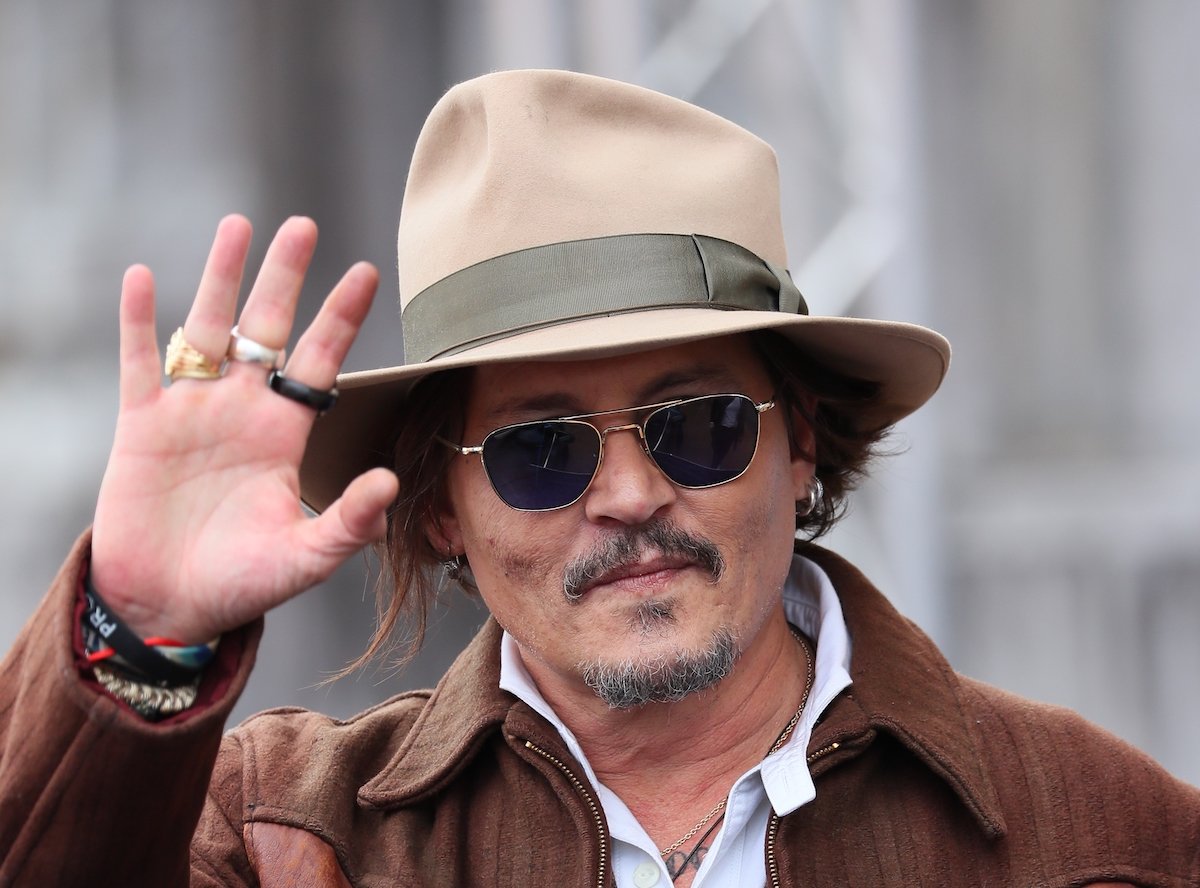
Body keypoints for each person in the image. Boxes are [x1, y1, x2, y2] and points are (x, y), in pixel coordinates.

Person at [0, 69, 1196, 888]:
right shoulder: (280, 839)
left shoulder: (1104, 836)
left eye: (698, 425)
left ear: (801, 441)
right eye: (544, 451)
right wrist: (138, 633)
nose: (628, 494)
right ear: (442, 509)